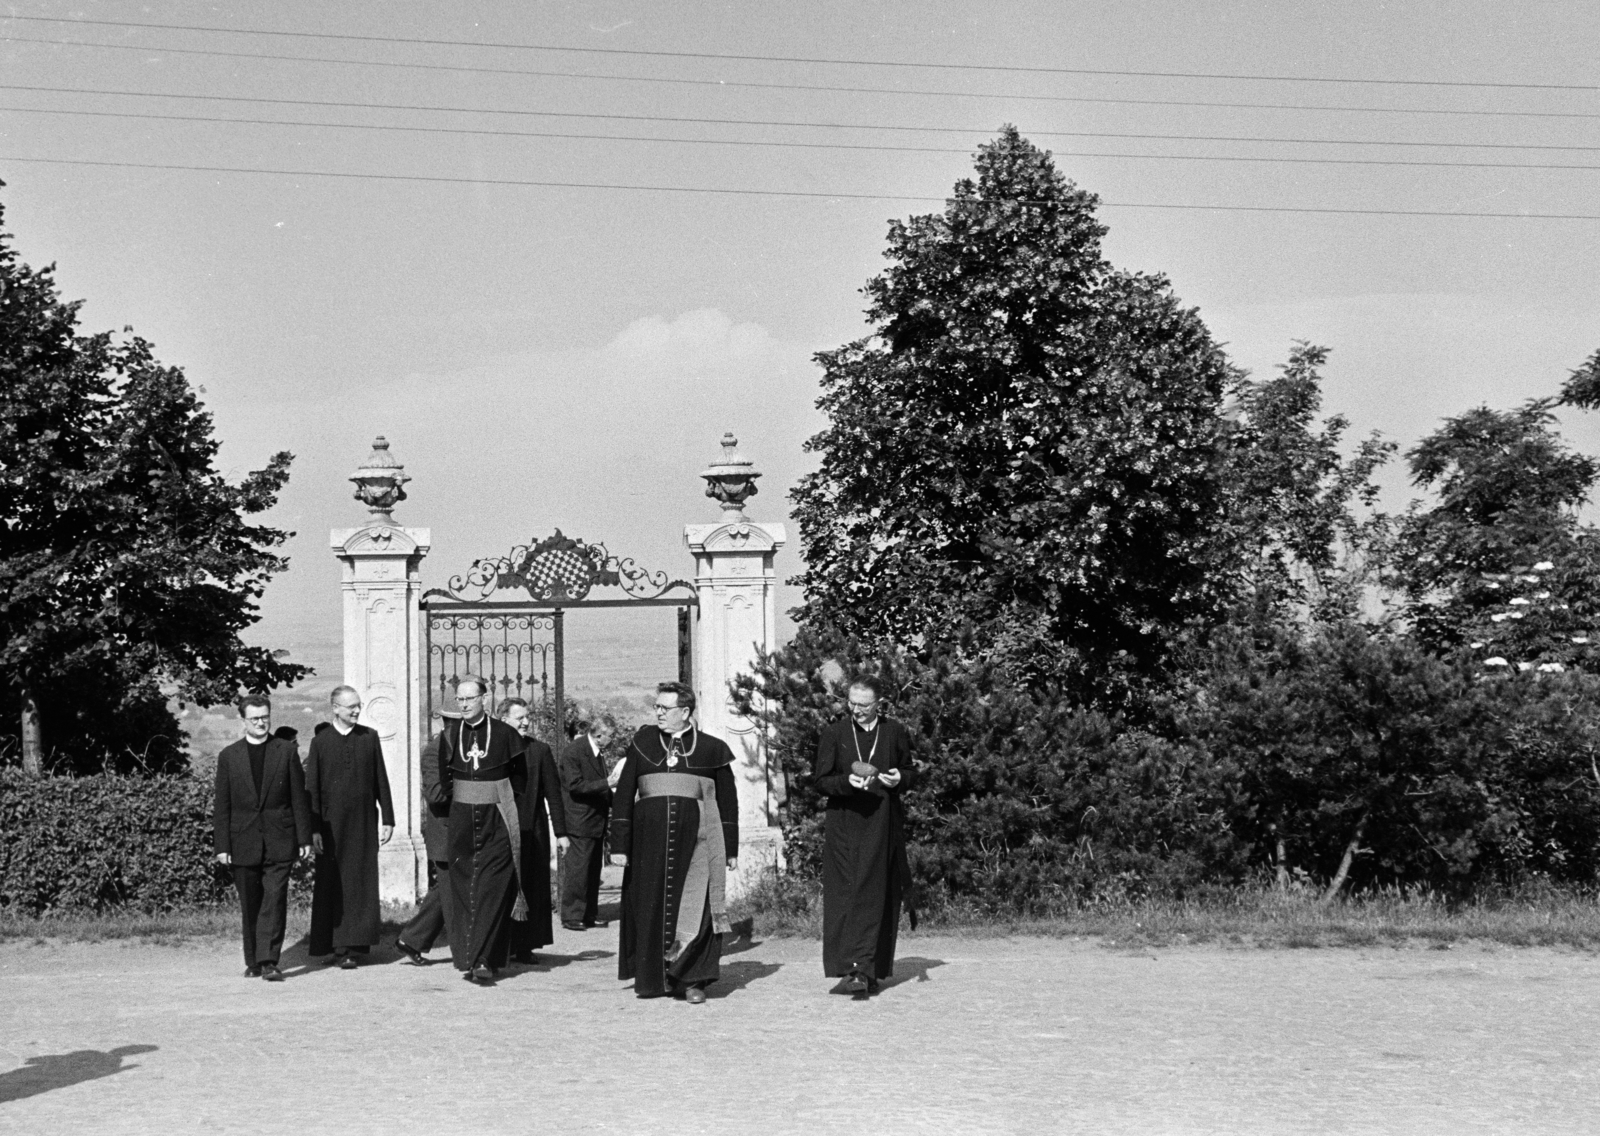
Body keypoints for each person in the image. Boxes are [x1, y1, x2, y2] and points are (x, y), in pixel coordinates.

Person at [610, 681, 738, 1004]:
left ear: (685, 711)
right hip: (647, 845)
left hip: (698, 842)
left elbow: (727, 801)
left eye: (664, 709)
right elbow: (625, 794)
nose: (658, 713)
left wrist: (731, 848)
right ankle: (653, 979)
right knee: (648, 905)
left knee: (698, 908)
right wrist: (619, 846)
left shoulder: (711, 748)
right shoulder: (642, 742)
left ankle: (694, 980)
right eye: (656, 707)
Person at [814, 675, 918, 997]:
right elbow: (821, 781)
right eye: (851, 703)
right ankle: (853, 969)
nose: (856, 710)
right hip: (845, 823)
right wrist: (847, 783)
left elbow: (910, 771)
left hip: (883, 821)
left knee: (878, 895)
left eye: (863, 705)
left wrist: (900, 777)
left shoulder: (894, 731)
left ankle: (869, 970)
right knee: (847, 894)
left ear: (879, 704)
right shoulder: (834, 733)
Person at [213, 694, 312, 981]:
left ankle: (269, 960)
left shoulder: (285, 751)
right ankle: (253, 960)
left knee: (275, 898)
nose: (260, 723)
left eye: (265, 717)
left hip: (280, 839)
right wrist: (222, 846)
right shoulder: (229, 756)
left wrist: (304, 838)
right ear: (242, 720)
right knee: (251, 902)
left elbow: (298, 798)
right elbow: (222, 805)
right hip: (242, 840)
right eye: (254, 718)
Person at [438, 675, 529, 984]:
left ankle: (484, 959)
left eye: (469, 699)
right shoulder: (450, 735)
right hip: (462, 821)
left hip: (498, 820)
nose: (463, 704)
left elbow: (520, 778)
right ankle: (470, 956)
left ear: (484, 700)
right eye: (459, 699)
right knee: (465, 888)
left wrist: (495, 798)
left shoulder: (505, 734)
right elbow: (445, 780)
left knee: (492, 889)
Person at [305, 685, 395, 968]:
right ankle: (337, 946)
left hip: (364, 823)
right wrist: (315, 829)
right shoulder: (321, 742)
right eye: (350, 706)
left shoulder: (369, 737)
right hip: (331, 827)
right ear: (335, 708)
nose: (356, 710)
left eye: (358, 705)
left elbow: (381, 779)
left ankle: (356, 945)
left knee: (360, 883)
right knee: (333, 882)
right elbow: (313, 789)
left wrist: (389, 818)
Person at [500, 697, 570, 963]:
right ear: (503, 720)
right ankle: (500, 944)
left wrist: (561, 833)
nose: (526, 722)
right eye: (520, 718)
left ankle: (525, 945)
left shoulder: (540, 751)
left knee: (531, 886)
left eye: (527, 716)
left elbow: (554, 794)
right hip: (502, 828)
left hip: (534, 829)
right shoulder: (494, 750)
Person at [558, 717, 622, 931]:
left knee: (593, 870)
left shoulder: (595, 751)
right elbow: (575, 786)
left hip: (595, 820)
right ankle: (572, 915)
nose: (612, 741)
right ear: (598, 735)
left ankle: (589, 914)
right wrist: (608, 783)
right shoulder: (574, 751)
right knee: (579, 870)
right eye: (610, 736)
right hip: (580, 821)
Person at [395, 730, 451, 965]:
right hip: (446, 833)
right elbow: (435, 794)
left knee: (450, 889)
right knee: (447, 890)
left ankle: (412, 939)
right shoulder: (435, 751)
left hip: (462, 832)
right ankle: (412, 939)